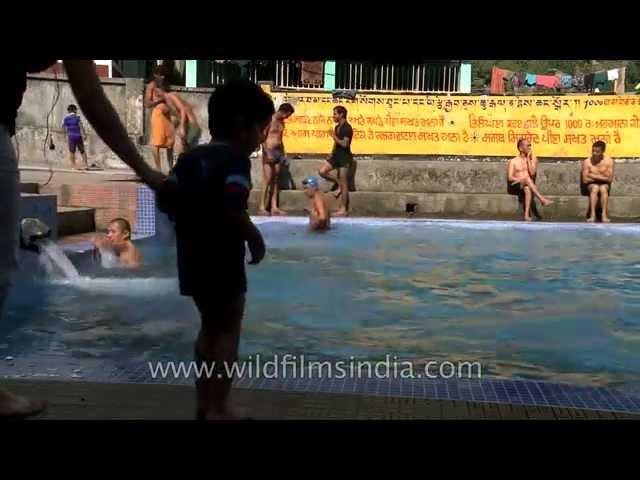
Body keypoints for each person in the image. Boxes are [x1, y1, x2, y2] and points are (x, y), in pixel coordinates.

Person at [0, 60, 164, 419]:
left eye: (112, 231)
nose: (107, 235)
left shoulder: (127, 247)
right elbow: (89, 92)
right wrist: (144, 170)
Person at [157, 80, 273, 420]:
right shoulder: (235, 161)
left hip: (191, 257)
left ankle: (203, 403)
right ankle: (219, 407)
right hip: (222, 257)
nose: (262, 137)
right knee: (227, 329)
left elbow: (167, 199)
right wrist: (254, 235)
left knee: (208, 326)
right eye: (260, 128)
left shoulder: (190, 158)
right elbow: (233, 205)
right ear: (242, 126)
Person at [260, 103, 295, 216]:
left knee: (275, 180)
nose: (287, 118)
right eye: (287, 115)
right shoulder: (270, 120)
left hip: (278, 152)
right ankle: (262, 207)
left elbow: (280, 139)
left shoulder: (281, 123)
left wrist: (283, 155)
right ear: (283, 112)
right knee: (267, 179)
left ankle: (274, 206)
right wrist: (267, 152)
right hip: (269, 152)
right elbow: (262, 138)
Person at [318, 105, 353, 217]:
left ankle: (343, 209)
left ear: (341, 114)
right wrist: (331, 153)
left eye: (335, 114)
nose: (333, 116)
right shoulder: (337, 127)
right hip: (336, 156)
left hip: (344, 158)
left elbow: (344, 144)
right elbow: (336, 144)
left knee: (344, 184)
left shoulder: (347, 128)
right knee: (322, 171)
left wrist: (333, 136)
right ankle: (337, 183)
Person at [507, 139, 553, 221]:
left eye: (530, 145)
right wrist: (521, 179)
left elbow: (532, 173)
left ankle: (526, 215)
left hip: (527, 185)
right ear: (520, 148)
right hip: (515, 184)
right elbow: (510, 177)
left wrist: (528, 159)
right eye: (527, 145)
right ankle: (542, 199)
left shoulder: (533, 159)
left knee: (527, 187)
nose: (530, 147)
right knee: (526, 179)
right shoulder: (513, 161)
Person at [156, 87, 201, 157]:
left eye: (156, 91)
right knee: (185, 151)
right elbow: (180, 114)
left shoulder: (171, 95)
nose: (155, 94)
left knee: (184, 151)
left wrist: (182, 127)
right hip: (187, 127)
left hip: (191, 126)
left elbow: (183, 109)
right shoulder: (165, 102)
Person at [145, 66, 175, 172]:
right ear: (155, 75)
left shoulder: (165, 86)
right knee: (157, 143)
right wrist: (160, 100)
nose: (162, 77)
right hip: (157, 116)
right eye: (160, 75)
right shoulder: (151, 86)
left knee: (170, 143)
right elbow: (147, 103)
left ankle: (171, 168)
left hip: (168, 117)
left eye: (164, 75)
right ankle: (158, 169)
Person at [582, 140, 614, 223]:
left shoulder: (609, 161)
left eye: (597, 151)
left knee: (603, 188)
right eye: (593, 151)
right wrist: (602, 177)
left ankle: (604, 215)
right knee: (595, 188)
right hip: (591, 185)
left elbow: (609, 179)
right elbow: (585, 180)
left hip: (604, 184)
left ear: (603, 152)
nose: (594, 153)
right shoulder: (587, 162)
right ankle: (592, 215)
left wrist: (593, 175)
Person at [62, 104, 88, 170]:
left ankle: (73, 166)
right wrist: (84, 135)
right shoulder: (77, 117)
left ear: (68, 111)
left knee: (72, 151)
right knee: (82, 151)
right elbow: (81, 126)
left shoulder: (66, 118)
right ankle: (86, 165)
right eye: (76, 109)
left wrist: (64, 136)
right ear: (74, 110)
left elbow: (63, 128)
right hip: (78, 136)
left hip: (71, 136)